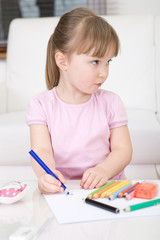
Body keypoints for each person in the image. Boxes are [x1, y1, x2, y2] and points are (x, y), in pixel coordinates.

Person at [26, 7, 132, 194]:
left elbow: (123, 150)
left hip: (107, 190)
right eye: (95, 62)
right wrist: (46, 176)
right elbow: (41, 150)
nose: (104, 72)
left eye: (108, 62)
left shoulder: (111, 102)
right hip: (65, 191)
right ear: (63, 61)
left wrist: (103, 170)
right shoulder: (40, 104)